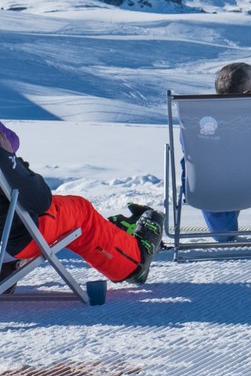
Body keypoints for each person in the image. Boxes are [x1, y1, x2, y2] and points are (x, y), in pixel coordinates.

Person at [1, 121, 163, 286]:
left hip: (8, 238)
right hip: (20, 239)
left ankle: (5, 268)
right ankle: (134, 262)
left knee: (60, 208)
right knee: (81, 212)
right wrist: (10, 159)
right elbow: (39, 201)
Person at [199, 61, 251, 242]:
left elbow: (192, 160)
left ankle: (223, 226)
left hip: (206, 190)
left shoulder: (198, 123)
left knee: (222, 234)